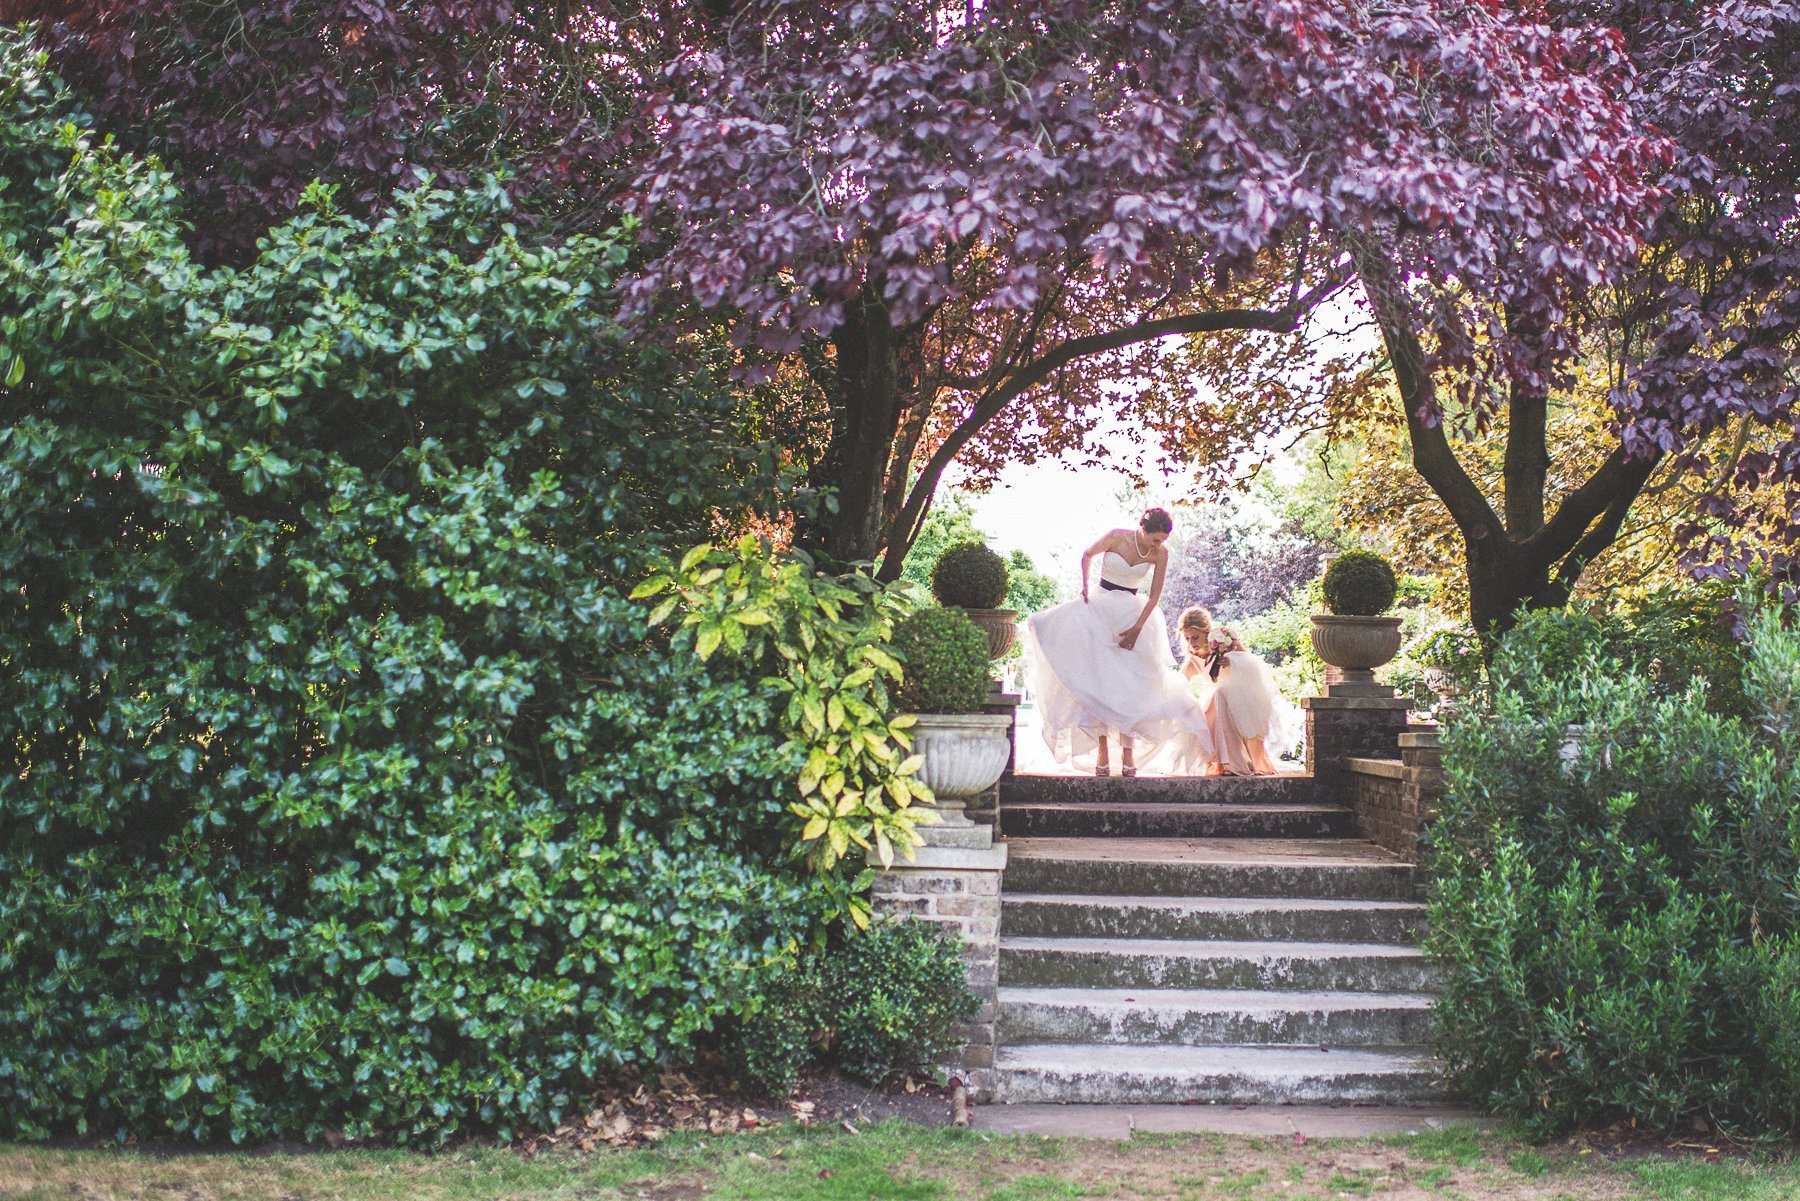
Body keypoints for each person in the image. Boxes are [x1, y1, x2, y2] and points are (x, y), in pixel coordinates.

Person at [1019, 508, 1214, 776]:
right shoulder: (1116, 537)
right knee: (1099, 682)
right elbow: (1087, 554)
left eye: (1163, 540)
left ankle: (1128, 752)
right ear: (1143, 529)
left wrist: (1136, 629)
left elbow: (1155, 596)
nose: (1159, 544)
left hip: (1133, 614)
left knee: (1131, 688)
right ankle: (1102, 751)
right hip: (1099, 609)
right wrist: (1085, 586)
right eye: (1156, 539)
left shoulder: (1160, 553)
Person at [1176, 606, 1301, 776]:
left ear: (1207, 632)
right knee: (1215, 698)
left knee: (1220, 695)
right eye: (1187, 638)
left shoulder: (1224, 640)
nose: (1192, 643)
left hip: (1241, 696)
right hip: (1217, 700)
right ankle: (1225, 762)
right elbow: (1180, 685)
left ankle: (1239, 761)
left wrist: (1233, 662)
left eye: (1195, 637)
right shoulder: (1193, 661)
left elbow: (1252, 664)